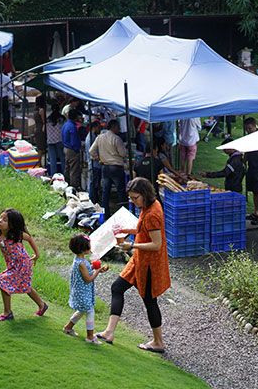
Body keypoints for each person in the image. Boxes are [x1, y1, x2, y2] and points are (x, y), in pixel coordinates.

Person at [95, 178, 171, 353]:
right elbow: (143, 229)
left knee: (150, 301)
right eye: (131, 198)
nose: (133, 201)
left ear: (144, 194)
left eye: (135, 197)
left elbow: (156, 244)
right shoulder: (150, 206)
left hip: (149, 264)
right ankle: (109, 332)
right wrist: (126, 231)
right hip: (139, 260)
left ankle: (158, 342)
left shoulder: (153, 213)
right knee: (117, 288)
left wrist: (131, 245)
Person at [0, 209, 48, 321]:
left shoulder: (16, 235)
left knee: (2, 281)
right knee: (26, 286)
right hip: (12, 265)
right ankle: (42, 305)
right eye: (0, 217)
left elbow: (29, 238)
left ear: (12, 225)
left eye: (5, 220)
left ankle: (7, 313)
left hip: (23, 264)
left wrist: (37, 254)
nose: (0, 221)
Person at [63, 234, 109, 344]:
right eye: (89, 245)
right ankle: (90, 337)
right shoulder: (81, 263)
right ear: (84, 249)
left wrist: (95, 268)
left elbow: (86, 272)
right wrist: (97, 271)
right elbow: (88, 279)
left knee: (82, 310)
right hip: (82, 292)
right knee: (90, 311)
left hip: (81, 292)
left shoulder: (80, 260)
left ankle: (68, 328)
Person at [89, 119, 127, 218]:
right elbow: (123, 153)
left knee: (105, 191)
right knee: (121, 191)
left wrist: (98, 158)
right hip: (116, 167)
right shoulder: (116, 139)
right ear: (113, 127)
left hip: (105, 167)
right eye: (118, 127)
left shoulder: (100, 137)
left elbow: (91, 151)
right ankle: (124, 213)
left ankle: (106, 213)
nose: (119, 129)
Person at [62, 108, 82, 190]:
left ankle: (66, 184)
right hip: (72, 150)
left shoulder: (65, 125)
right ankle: (74, 187)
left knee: (67, 168)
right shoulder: (72, 127)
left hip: (66, 148)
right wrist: (77, 149)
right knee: (74, 170)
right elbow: (74, 141)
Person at [85, 121, 102, 204]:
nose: (100, 129)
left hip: (95, 164)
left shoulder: (93, 136)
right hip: (94, 165)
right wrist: (98, 159)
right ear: (94, 127)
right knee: (93, 184)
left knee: (95, 184)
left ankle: (94, 199)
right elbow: (91, 152)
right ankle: (93, 201)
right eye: (98, 127)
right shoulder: (91, 138)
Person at [46, 103, 65, 176]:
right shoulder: (61, 119)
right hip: (59, 140)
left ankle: (53, 175)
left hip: (50, 140)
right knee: (62, 158)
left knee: (52, 159)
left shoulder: (48, 119)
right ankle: (63, 174)